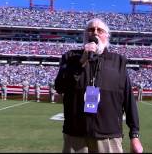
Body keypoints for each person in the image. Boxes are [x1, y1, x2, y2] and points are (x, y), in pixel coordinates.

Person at [55, 18, 143, 153]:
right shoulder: (70, 57)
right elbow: (60, 87)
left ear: (107, 36)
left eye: (99, 30)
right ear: (85, 35)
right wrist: (81, 62)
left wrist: (134, 135)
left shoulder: (118, 61)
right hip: (75, 135)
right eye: (90, 30)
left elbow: (128, 99)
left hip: (109, 137)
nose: (95, 33)